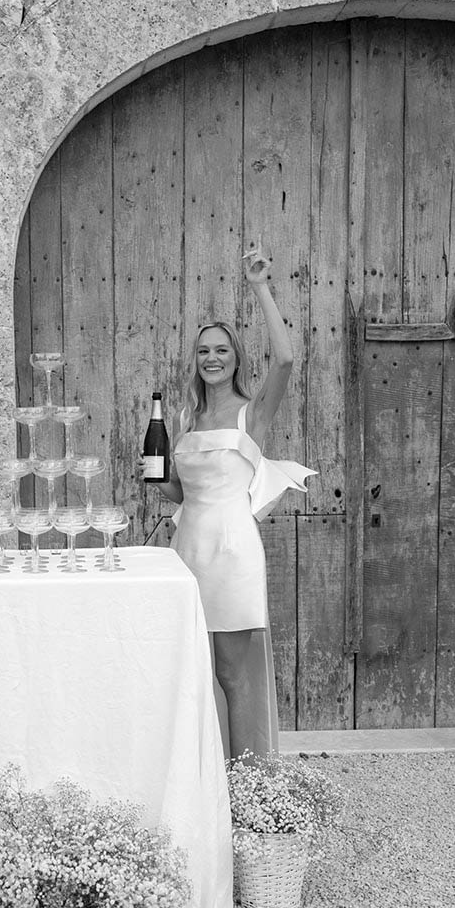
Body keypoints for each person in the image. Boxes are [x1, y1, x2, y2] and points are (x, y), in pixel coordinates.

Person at [154, 243, 314, 757]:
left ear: (235, 358)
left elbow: (287, 359)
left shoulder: (253, 414)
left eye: (221, 350)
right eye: (203, 351)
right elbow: (180, 493)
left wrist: (260, 287)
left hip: (233, 551)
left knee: (232, 672)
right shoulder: (183, 419)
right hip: (188, 549)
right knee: (191, 670)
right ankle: (202, 781)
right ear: (195, 362)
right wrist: (155, 481)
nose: (212, 358)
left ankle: (247, 782)